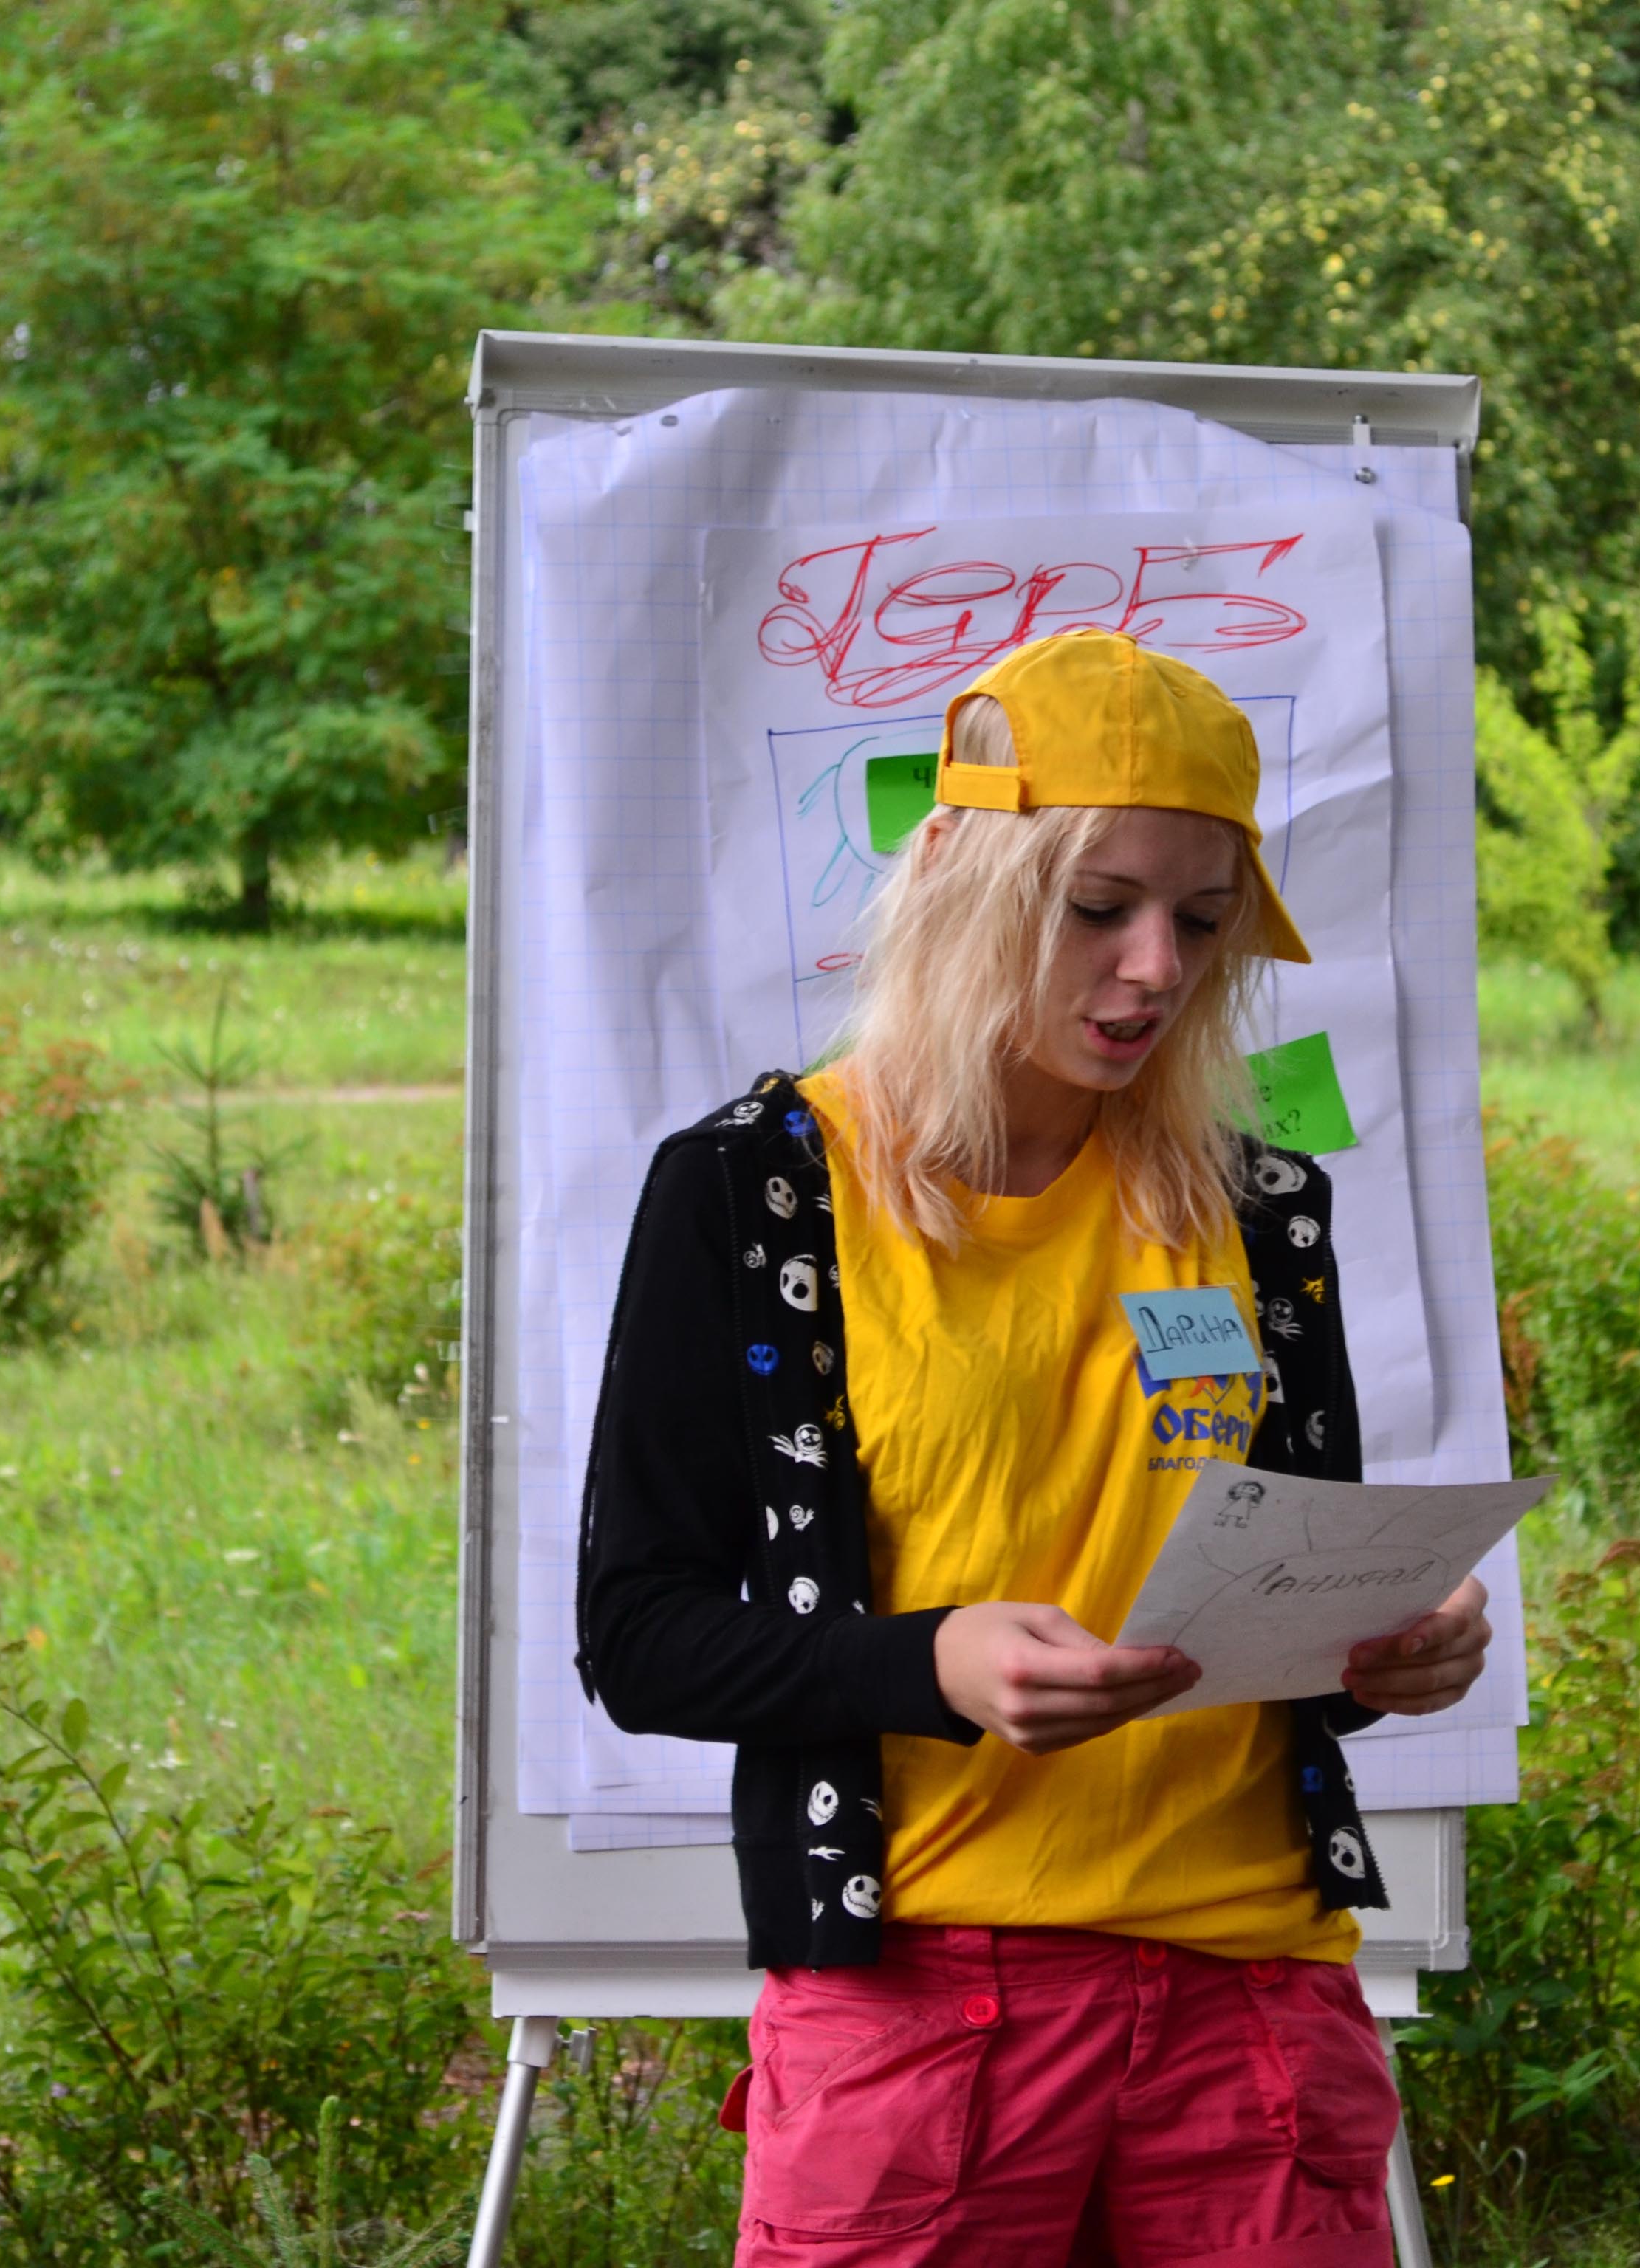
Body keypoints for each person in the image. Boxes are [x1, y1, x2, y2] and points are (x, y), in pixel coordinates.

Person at [578, 626, 1492, 2264]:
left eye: (1202, 921)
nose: (1155, 968)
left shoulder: (1260, 1213)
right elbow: (640, 1637)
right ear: (960, 875)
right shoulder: (758, 1192)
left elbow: (1287, 1621)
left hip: (1252, 1999)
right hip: (922, 2006)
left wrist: (1385, 1649)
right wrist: (927, 1665)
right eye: (1098, 907)